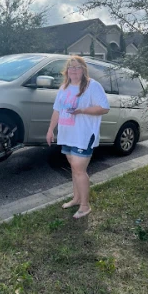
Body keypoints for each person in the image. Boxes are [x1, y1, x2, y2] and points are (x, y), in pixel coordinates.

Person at [46, 56, 110, 219]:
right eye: (71, 67)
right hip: (67, 134)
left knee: (79, 170)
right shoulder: (64, 87)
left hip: (84, 134)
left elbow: (104, 108)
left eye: (77, 67)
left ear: (83, 70)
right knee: (74, 168)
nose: (74, 70)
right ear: (67, 70)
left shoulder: (92, 86)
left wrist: (82, 110)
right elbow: (57, 111)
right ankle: (76, 198)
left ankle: (85, 205)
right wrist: (50, 130)